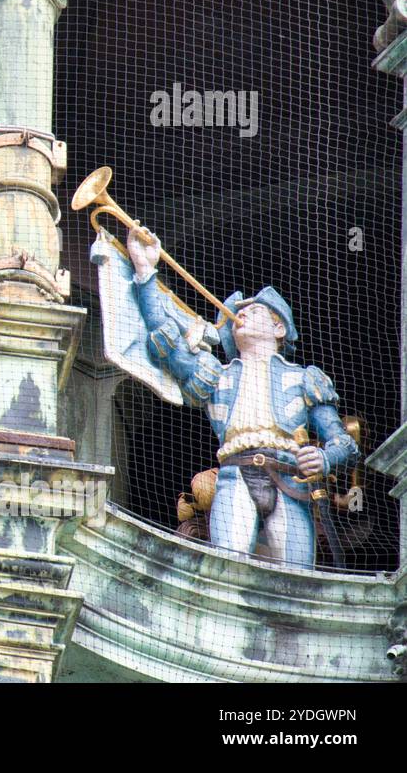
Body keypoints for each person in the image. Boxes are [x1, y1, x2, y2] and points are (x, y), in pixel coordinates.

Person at [124, 223, 357, 567]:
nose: (242, 314)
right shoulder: (217, 376)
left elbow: (344, 443)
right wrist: (145, 272)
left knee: (297, 576)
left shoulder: (303, 378)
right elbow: (166, 341)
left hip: (289, 481)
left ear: (279, 328)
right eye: (238, 314)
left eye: (255, 310)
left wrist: (324, 459)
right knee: (226, 568)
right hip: (234, 476)